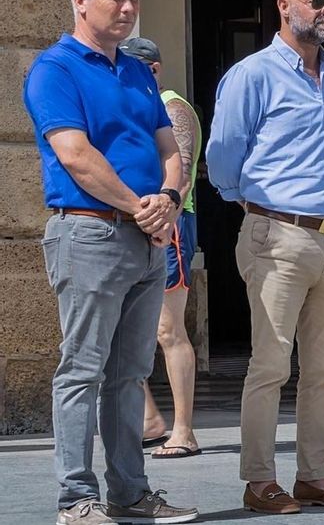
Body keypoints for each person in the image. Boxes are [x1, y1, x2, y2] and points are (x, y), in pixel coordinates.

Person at [24, 0, 198, 525]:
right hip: (91, 234)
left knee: (129, 374)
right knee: (82, 370)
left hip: (146, 237)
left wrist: (168, 200)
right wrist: (139, 207)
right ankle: (76, 500)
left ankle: (129, 493)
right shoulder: (54, 69)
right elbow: (75, 156)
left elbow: (168, 146)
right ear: (80, 1)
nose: (128, 8)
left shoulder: (133, 69)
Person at [207, 0, 324, 514]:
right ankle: (258, 481)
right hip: (276, 234)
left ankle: (314, 476)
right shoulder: (251, 75)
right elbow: (222, 157)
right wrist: (258, 205)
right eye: (317, 1)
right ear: (284, 6)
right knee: (271, 365)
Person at [119, 37, 204, 460]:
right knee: (130, 331)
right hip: (139, 221)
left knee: (169, 329)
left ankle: (184, 429)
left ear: (151, 69)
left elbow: (182, 171)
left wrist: (164, 216)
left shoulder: (172, 106)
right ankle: (151, 420)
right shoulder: (144, 108)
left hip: (168, 224)